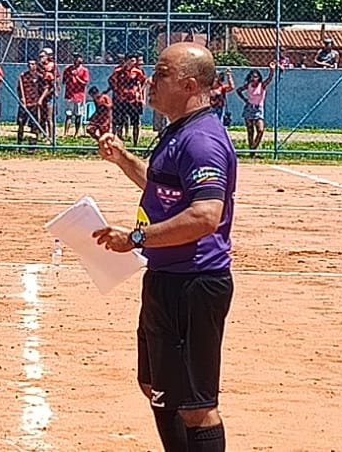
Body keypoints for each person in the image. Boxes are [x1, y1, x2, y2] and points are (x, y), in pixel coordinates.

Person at [93, 43, 236, 452]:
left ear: (189, 85)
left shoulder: (202, 140)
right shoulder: (179, 131)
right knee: (156, 386)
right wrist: (124, 159)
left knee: (196, 405)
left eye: (160, 74)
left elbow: (205, 215)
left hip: (193, 283)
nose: (149, 81)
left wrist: (136, 238)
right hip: (167, 277)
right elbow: (166, 190)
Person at [234, 66, 275, 154]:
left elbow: (269, 79)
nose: (254, 79)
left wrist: (272, 70)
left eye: (256, 77)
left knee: (260, 130)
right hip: (249, 107)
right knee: (250, 130)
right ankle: (251, 151)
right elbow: (238, 90)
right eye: (252, 77)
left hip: (258, 108)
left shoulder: (262, 85)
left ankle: (254, 147)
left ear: (259, 77)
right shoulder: (248, 85)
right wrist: (245, 99)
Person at [109, 53, 149, 144]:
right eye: (131, 61)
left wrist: (139, 93)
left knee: (136, 122)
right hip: (122, 99)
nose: (133, 63)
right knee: (120, 121)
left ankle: (135, 142)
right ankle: (119, 139)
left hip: (133, 100)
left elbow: (143, 82)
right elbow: (112, 81)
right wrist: (118, 91)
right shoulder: (119, 71)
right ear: (126, 61)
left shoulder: (137, 72)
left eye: (134, 61)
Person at [63, 53, 90, 138]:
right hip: (69, 94)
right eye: (74, 58)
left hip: (79, 95)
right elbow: (64, 81)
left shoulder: (84, 70)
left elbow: (84, 83)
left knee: (78, 114)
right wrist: (69, 76)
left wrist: (76, 76)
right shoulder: (68, 69)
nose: (76, 60)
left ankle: (76, 133)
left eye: (78, 58)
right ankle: (66, 133)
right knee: (68, 114)